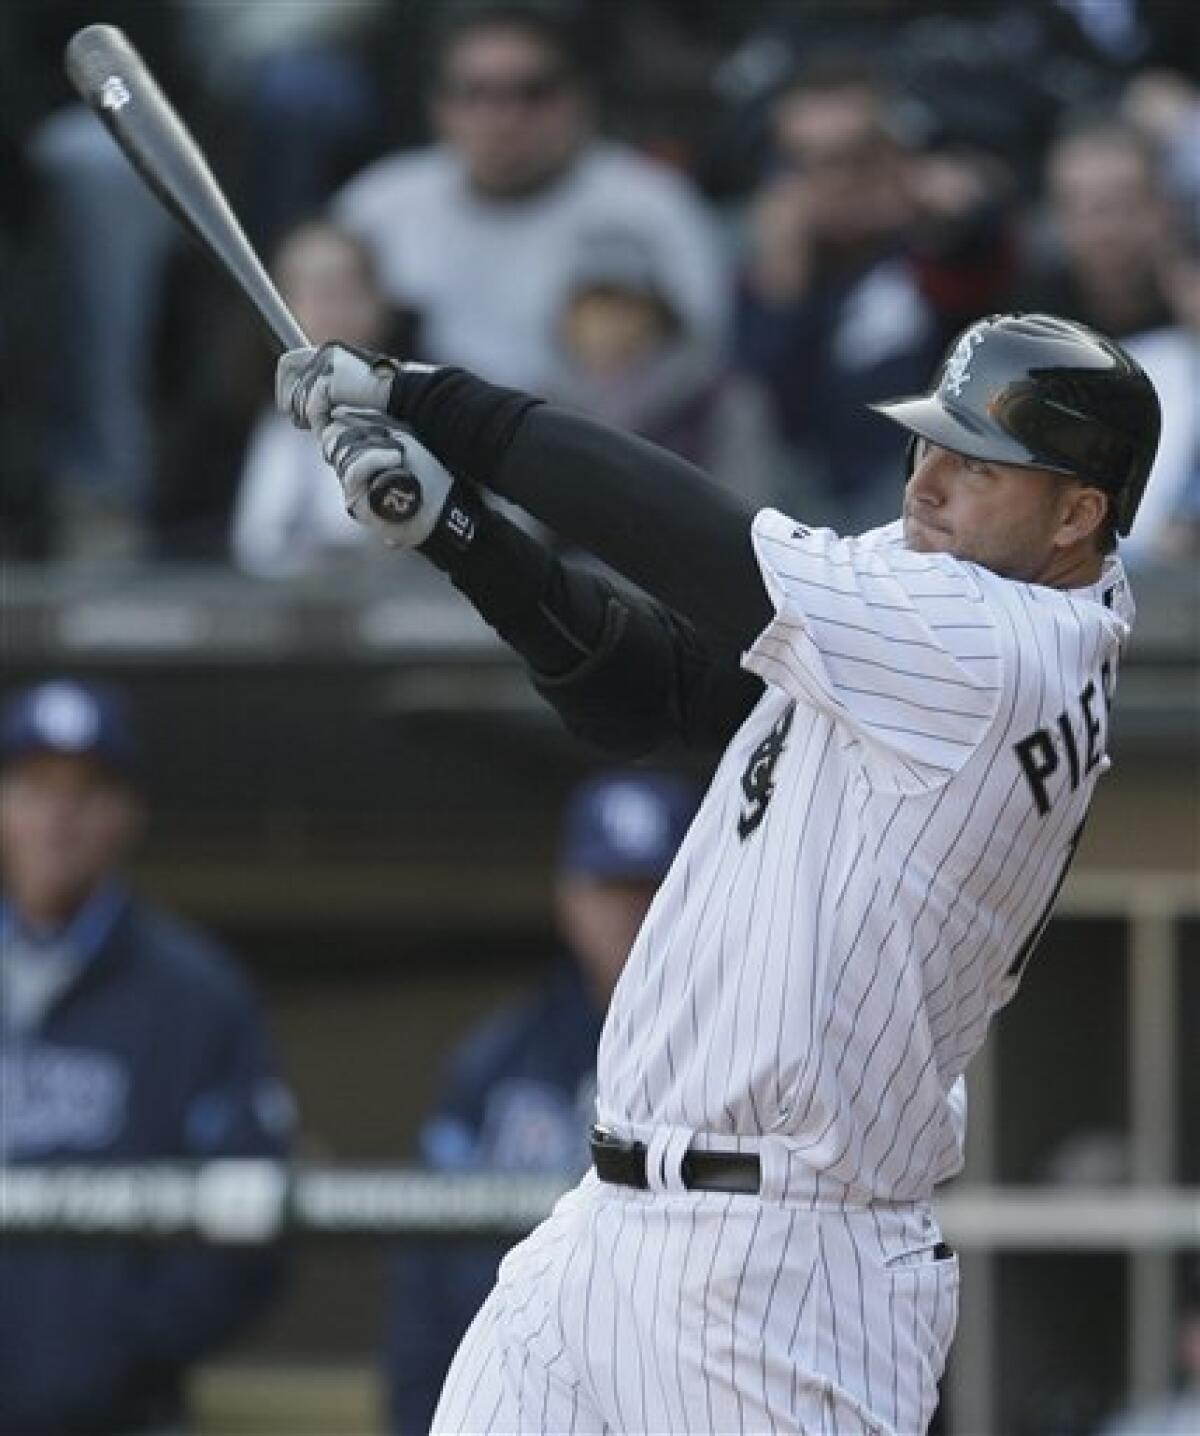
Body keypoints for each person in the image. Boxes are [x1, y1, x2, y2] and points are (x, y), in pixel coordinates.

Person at [275, 306, 1160, 1433]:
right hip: (608, 1226)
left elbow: (709, 544)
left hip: (783, 1269)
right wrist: (463, 534)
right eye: (930, 443)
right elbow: (657, 695)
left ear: (1080, 514)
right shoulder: (955, 580)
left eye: (978, 464)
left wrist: (436, 402)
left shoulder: (999, 645)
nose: (928, 482)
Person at [0, 678, 294, 1436]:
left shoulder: (196, 995)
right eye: (34, 788)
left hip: (120, 1418)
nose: (58, 818)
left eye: (87, 792)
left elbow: (252, 1221)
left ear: (127, 814)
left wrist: (108, 1354)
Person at [386, 768, 697, 1434]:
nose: (627, 913)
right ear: (567, 897)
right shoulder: (498, 1061)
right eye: (607, 887)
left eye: (650, 888)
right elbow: (425, 1276)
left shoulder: (739, 1061)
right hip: (516, 1404)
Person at [331, 0, 729, 390]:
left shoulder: (653, 207)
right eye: (476, 92)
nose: (504, 118)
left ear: (583, 95)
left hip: (596, 443)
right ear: (439, 104)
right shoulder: (378, 205)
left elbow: (699, 368)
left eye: (533, 92)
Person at [734, 52, 1017, 533]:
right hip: (806, 518)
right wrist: (783, 286)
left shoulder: (936, 246)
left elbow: (981, 249)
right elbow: (776, 412)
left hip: (933, 515)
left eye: (857, 156)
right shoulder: (778, 267)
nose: (838, 180)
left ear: (896, 153)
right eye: (811, 162)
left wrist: (945, 212)